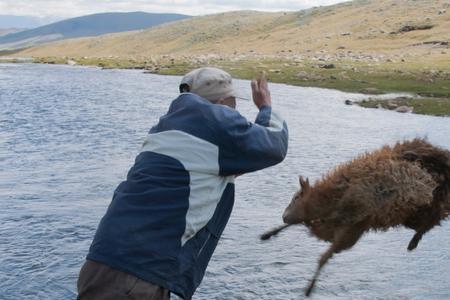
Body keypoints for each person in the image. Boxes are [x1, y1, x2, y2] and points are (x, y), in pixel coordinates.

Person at [77, 67, 288, 300]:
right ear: (222, 101)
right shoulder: (216, 119)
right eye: (233, 103)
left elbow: (206, 173)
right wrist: (266, 106)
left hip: (101, 262)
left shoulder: (165, 129)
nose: (236, 111)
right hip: (140, 276)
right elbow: (274, 144)